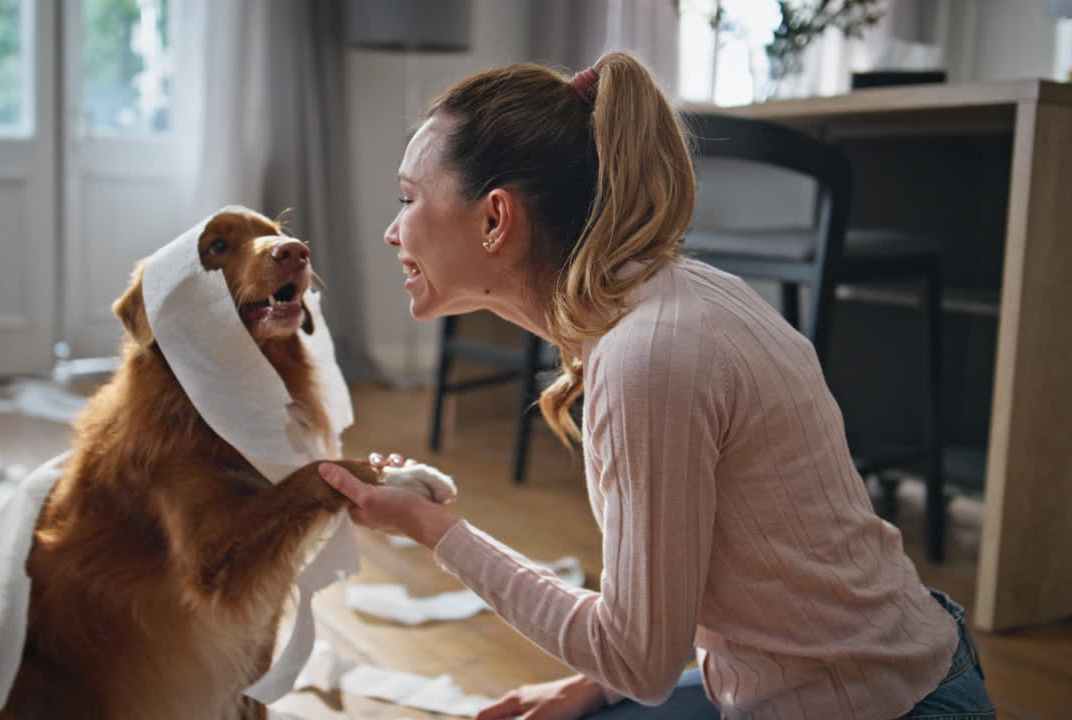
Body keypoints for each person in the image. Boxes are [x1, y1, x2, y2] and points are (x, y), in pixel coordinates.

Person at [318, 51, 995, 719]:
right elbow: (660, 631)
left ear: (496, 219)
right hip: (826, 677)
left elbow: (638, 661)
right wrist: (587, 686)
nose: (390, 230)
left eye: (408, 199)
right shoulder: (662, 306)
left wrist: (430, 527)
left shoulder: (650, 357)